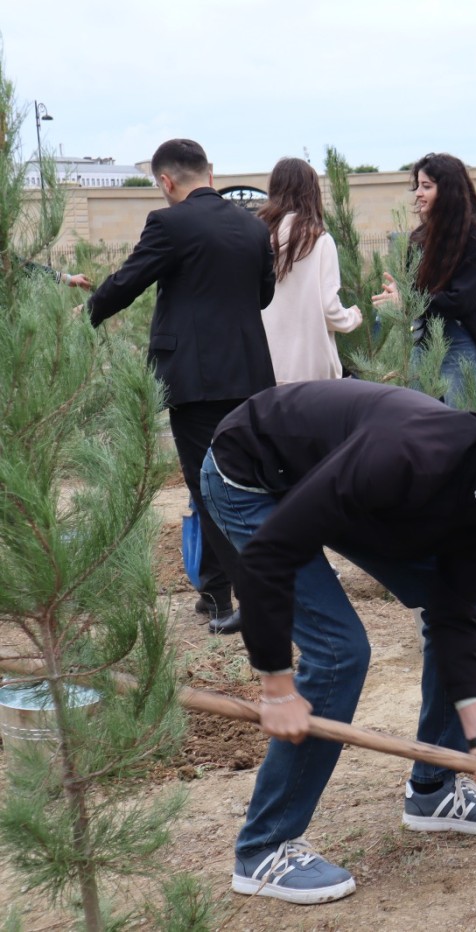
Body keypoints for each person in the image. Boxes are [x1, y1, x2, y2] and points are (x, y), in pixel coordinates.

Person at [202, 382, 476, 904]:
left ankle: (434, 789)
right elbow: (268, 559)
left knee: (468, 598)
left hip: (336, 482)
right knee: (338, 651)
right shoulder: (405, 458)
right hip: (253, 475)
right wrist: (277, 688)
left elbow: (454, 614)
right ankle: (264, 849)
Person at [87, 138, 275, 635]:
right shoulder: (253, 227)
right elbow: (263, 295)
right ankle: (215, 592)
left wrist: (85, 315)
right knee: (242, 481)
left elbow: (128, 282)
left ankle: (247, 602)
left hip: (195, 377)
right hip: (250, 374)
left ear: (166, 182)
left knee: (207, 487)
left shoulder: (169, 223)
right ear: (210, 174)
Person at [373, 153, 476, 409]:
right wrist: (399, 293)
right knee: (420, 427)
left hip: (462, 346)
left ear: (449, 191)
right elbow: (416, 291)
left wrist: (409, 298)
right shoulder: (420, 237)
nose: (418, 193)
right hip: (423, 344)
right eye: (417, 186)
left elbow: (461, 301)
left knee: (463, 433)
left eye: (427, 186)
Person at [256, 157, 363, 384]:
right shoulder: (319, 241)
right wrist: (352, 317)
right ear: (311, 191)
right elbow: (329, 309)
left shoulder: (258, 238)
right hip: (313, 368)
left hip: (266, 366)